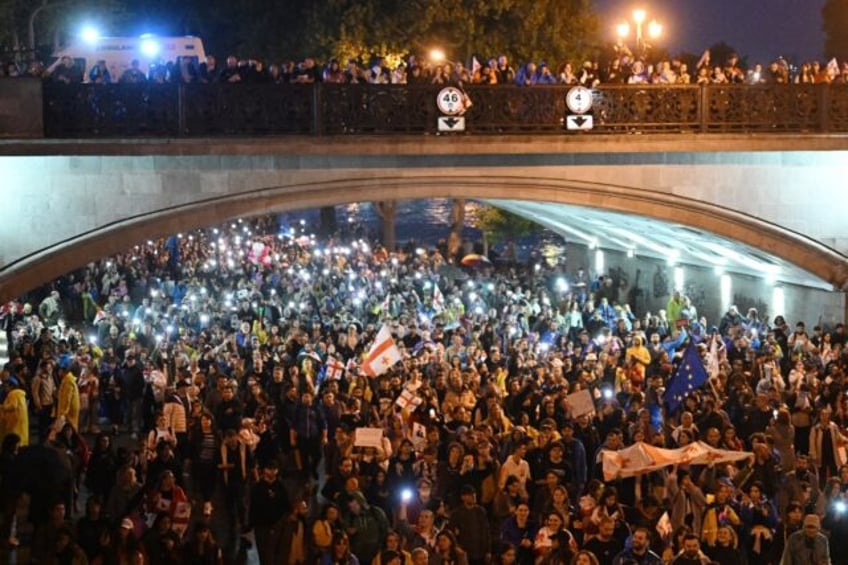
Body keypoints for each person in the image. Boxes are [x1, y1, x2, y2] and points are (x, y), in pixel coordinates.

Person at [249, 460, 291, 565]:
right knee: (265, 556)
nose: (272, 472)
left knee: (278, 555)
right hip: (262, 526)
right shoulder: (258, 487)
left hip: (277, 525)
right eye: (269, 469)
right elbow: (253, 507)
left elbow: (286, 505)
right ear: (264, 470)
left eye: (274, 469)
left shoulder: (280, 486)